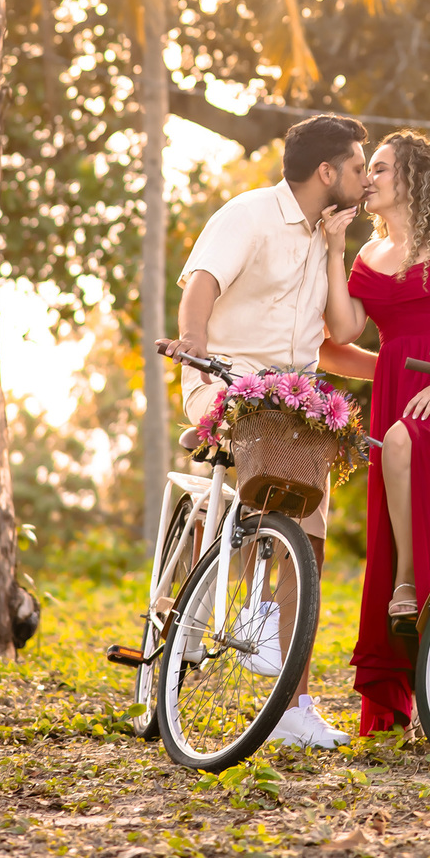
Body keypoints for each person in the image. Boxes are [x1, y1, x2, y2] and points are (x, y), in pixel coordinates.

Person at [160, 113, 377, 750]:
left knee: (306, 542)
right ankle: (212, 586)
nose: (366, 182)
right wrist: (195, 346)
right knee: (253, 478)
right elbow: (202, 284)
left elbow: (332, 343)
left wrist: (394, 373)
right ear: (327, 172)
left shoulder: (328, 239)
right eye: (359, 168)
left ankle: (294, 707)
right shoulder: (249, 214)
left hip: (298, 397)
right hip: (228, 378)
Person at [321, 129, 430, 736]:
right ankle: (404, 685)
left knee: (402, 445)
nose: (368, 177)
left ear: (415, 178)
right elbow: (341, 336)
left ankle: (410, 589)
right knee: (388, 509)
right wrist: (333, 249)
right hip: (401, 394)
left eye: (381, 168)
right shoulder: (367, 258)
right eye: (367, 168)